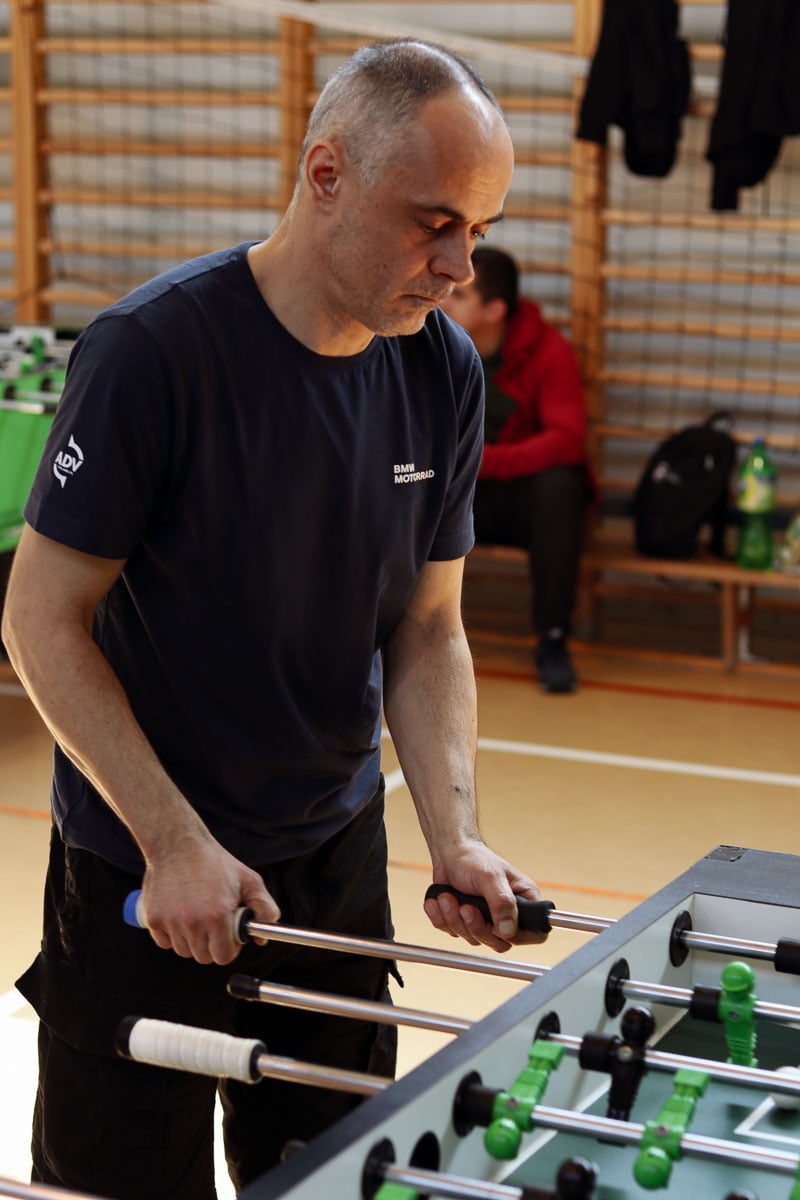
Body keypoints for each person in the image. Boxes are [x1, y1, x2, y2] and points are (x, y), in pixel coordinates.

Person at [2, 39, 544, 1200]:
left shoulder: (442, 370)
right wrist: (172, 841)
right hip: (142, 869)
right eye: (433, 223)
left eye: (477, 232)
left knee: (327, 1178)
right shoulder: (152, 352)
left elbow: (427, 628)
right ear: (326, 174)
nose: (458, 267)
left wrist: (453, 833)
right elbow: (40, 621)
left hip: (332, 863)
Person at [440, 247, 591, 693]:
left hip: (510, 497)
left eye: (459, 294)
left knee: (561, 489)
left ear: (494, 311)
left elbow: (566, 439)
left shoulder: (547, 349)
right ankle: (384, 633)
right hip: (453, 490)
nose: (444, 300)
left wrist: (481, 461)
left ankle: (553, 640)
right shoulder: (428, 341)